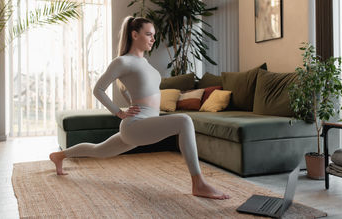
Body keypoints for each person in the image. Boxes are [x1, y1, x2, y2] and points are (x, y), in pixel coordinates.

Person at [49, 16, 230, 200]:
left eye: (154, 35)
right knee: (184, 121)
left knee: (99, 150)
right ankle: (198, 183)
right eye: (149, 34)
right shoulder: (123, 62)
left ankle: (60, 155)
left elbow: (140, 90)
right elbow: (98, 89)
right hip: (134, 125)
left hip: (143, 125)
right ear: (135, 34)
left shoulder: (144, 62)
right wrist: (119, 112)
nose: (153, 39)